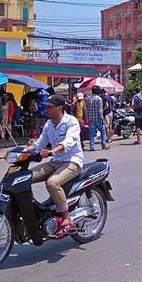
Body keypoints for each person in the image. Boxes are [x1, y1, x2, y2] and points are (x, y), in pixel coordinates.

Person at [25, 94, 84, 238]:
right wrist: (21, 151)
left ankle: (66, 218)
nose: (47, 110)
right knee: (25, 177)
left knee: (52, 183)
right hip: (56, 161)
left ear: (59, 108)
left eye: (50, 107)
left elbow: (69, 142)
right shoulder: (48, 124)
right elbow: (39, 144)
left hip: (72, 161)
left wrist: (52, 151)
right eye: (46, 107)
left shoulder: (71, 122)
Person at [84, 86, 107, 150]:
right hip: (98, 118)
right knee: (103, 131)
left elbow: (87, 109)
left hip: (91, 118)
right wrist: (101, 118)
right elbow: (100, 110)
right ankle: (104, 144)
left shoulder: (88, 98)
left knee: (91, 133)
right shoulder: (99, 98)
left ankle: (92, 147)